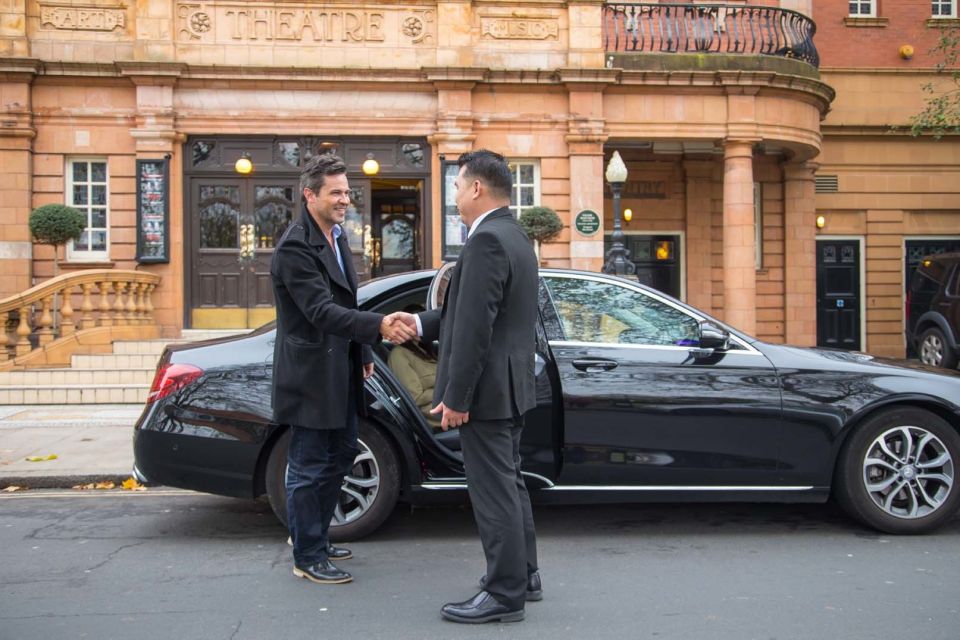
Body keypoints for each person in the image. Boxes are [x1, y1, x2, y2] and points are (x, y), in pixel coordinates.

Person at [396, 149, 541, 623]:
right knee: (510, 482)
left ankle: (504, 594)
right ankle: (524, 576)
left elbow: (477, 327)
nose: (455, 196)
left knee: (493, 490)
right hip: (510, 386)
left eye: (457, 186)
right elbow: (469, 315)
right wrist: (417, 322)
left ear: (477, 188)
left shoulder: (486, 242)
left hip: (486, 393)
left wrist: (456, 397)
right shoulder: (514, 235)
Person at [270, 153, 414, 585]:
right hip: (311, 375)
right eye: (336, 193)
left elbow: (346, 304)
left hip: (342, 368)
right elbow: (320, 311)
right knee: (309, 465)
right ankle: (307, 554)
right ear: (309, 194)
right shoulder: (296, 245)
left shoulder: (334, 236)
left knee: (342, 453)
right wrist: (380, 327)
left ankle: (316, 535)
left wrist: (365, 352)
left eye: (347, 193)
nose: (345, 200)